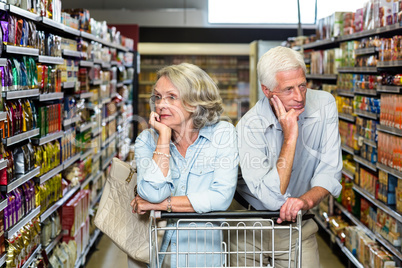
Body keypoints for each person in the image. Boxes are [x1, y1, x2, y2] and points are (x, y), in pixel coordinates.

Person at [233, 46, 342, 267]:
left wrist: (305, 200)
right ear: (267, 90)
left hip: (298, 227)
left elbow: (330, 169)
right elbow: (272, 197)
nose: (299, 96)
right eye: (288, 89)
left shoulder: (324, 104)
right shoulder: (249, 126)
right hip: (249, 228)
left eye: (302, 85)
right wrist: (291, 136)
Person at [130, 63, 239, 268]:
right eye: (158, 97)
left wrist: (160, 206)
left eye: (172, 97)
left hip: (202, 255)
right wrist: (163, 137)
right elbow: (152, 193)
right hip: (155, 253)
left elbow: (221, 197)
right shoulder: (146, 140)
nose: (161, 105)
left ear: (195, 102)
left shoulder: (223, 134)